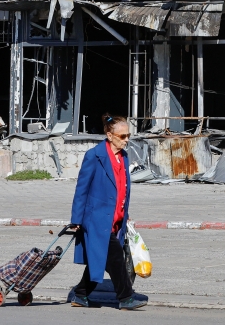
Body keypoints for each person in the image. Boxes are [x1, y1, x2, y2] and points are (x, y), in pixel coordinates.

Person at [69, 113, 147, 310]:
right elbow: (82, 189)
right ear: (109, 135)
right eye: (122, 136)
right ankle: (126, 297)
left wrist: (125, 212)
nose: (127, 140)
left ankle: (80, 294)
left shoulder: (124, 157)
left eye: (128, 135)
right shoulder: (94, 155)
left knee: (101, 257)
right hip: (96, 219)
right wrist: (76, 219)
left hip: (115, 219)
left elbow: (122, 187)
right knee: (115, 257)